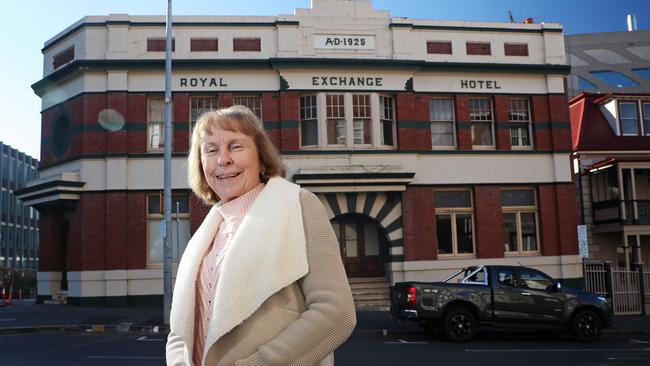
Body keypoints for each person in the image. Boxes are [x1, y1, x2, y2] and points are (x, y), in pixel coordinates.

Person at [166, 105, 356, 366]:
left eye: (235, 146)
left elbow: (336, 314)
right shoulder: (209, 230)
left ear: (261, 156)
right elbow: (180, 329)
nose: (223, 160)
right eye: (211, 150)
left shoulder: (299, 205)